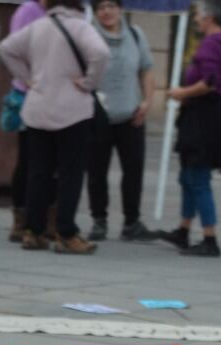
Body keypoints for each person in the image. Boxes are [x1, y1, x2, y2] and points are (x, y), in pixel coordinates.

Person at [0, 0, 110, 254]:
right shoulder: (81, 27)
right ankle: (65, 232)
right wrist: (89, 82)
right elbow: (101, 53)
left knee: (38, 171)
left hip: (38, 107)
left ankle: (33, 231)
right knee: (70, 173)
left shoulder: (38, 26)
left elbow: (5, 48)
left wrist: (26, 78)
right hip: (72, 110)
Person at [158, 0, 221, 258]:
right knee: (188, 175)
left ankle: (210, 238)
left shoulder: (213, 43)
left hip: (204, 117)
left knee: (199, 177)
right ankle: (183, 229)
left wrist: (182, 93)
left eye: (200, 15)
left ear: (210, 17)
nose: (197, 19)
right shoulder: (220, 41)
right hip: (204, 115)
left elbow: (209, 82)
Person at [85, 0, 156, 243]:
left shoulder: (136, 35)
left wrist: (147, 102)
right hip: (98, 117)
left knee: (133, 171)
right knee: (96, 172)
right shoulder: (88, 36)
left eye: (111, 6)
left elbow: (146, 69)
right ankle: (99, 220)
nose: (107, 12)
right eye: (101, 7)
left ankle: (131, 222)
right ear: (95, 12)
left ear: (120, 9)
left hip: (131, 116)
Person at [5, 0, 46, 243]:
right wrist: (28, 78)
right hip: (28, 94)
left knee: (50, 162)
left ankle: (47, 217)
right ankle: (21, 217)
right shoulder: (28, 11)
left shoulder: (69, 11)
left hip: (55, 94)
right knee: (28, 158)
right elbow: (12, 49)